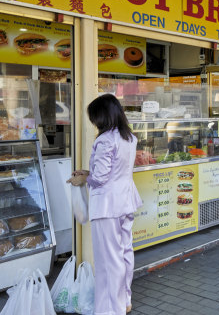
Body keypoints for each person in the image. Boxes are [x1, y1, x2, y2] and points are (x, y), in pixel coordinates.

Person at [66, 94, 142, 315]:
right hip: (126, 202)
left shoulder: (105, 140)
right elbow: (113, 172)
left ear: (102, 117)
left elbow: (100, 178)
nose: (94, 123)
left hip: (108, 207)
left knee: (109, 261)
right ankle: (125, 300)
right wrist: (88, 173)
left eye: (95, 118)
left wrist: (83, 179)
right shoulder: (128, 137)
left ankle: (111, 309)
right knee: (125, 252)